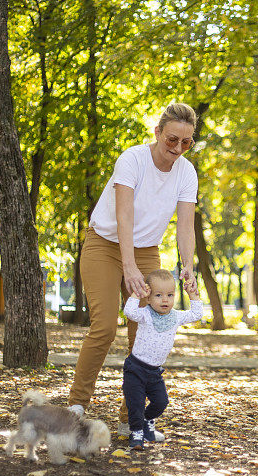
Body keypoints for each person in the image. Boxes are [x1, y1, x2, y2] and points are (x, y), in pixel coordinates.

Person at [67, 102, 199, 441]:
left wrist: (187, 265)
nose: (178, 149)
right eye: (172, 139)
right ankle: (76, 408)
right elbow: (123, 214)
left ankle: (133, 420)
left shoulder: (186, 172)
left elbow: (186, 226)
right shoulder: (132, 160)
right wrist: (128, 266)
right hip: (105, 244)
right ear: (156, 133)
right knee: (105, 325)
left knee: (145, 333)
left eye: (187, 142)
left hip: (147, 250)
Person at [122, 269, 202, 449]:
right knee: (135, 403)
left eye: (170, 295)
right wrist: (137, 294)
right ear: (148, 298)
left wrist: (193, 295)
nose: (165, 300)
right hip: (135, 368)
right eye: (158, 295)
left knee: (161, 402)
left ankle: (147, 420)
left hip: (154, 372)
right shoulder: (145, 314)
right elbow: (129, 312)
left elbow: (196, 315)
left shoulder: (175, 316)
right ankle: (136, 433)